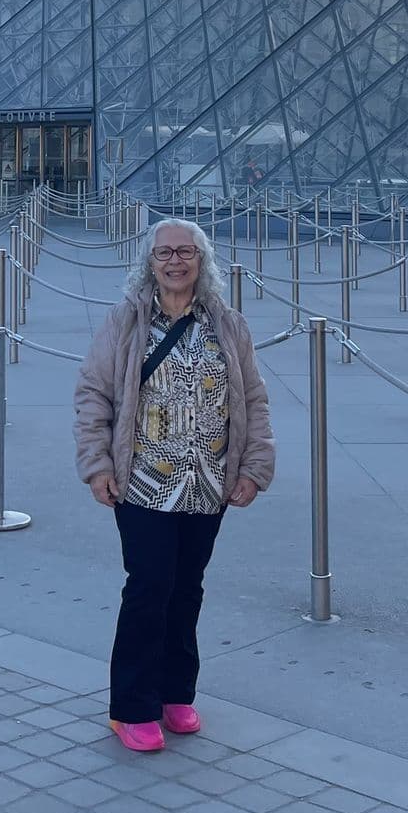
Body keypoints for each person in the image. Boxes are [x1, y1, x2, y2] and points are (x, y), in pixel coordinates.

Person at [74, 218, 275, 754]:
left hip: (209, 483)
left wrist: (255, 467)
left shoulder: (228, 325)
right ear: (149, 262)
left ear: (202, 261)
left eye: (187, 251)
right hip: (142, 482)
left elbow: (253, 399)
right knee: (148, 588)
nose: (175, 261)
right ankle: (131, 705)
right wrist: (97, 465)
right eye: (165, 252)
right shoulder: (125, 322)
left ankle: (174, 693)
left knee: (187, 590)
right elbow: (94, 394)